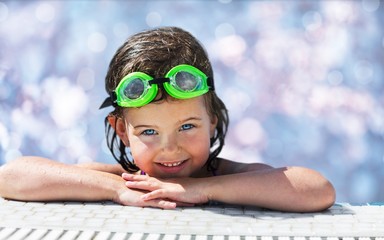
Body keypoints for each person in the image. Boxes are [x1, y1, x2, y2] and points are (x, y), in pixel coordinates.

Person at [0, 27, 335, 212]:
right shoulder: (127, 180)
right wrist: (117, 190)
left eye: (187, 126)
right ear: (122, 131)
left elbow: (317, 189)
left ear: (214, 121)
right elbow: (11, 176)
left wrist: (198, 189)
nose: (170, 148)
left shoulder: (228, 176)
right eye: (148, 131)